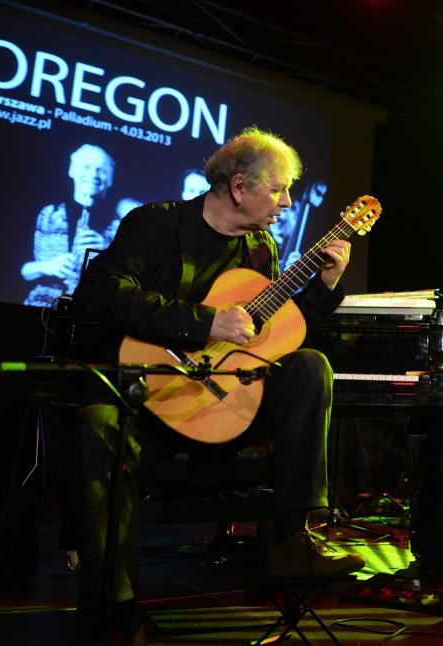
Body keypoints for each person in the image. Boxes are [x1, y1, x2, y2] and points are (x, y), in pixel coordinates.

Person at [69, 127, 363, 644]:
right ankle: (115, 604)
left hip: (225, 407)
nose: (288, 201)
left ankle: (291, 538)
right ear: (239, 186)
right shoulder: (154, 225)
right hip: (149, 405)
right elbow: (99, 292)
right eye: (278, 189)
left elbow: (278, 338)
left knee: (310, 365)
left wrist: (325, 288)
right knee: (97, 423)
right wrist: (203, 323)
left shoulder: (261, 250)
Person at [21, 143, 116, 306]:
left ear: (110, 180)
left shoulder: (121, 224)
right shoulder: (47, 214)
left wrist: (109, 252)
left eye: (102, 170)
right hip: (41, 307)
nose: (94, 175)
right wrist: (48, 266)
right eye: (87, 167)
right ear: (72, 171)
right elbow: (22, 271)